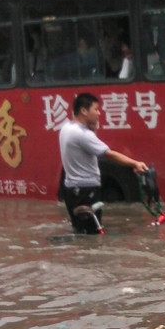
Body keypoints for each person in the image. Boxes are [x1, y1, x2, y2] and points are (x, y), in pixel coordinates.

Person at [59, 92, 148, 234]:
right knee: (92, 235)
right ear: (84, 111)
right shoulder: (83, 134)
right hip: (86, 189)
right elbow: (109, 154)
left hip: (72, 189)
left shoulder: (66, 128)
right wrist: (135, 164)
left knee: (81, 231)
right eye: (95, 109)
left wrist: (92, 130)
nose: (99, 113)